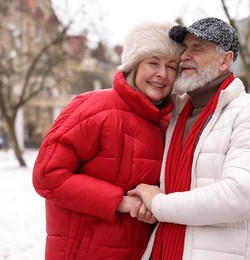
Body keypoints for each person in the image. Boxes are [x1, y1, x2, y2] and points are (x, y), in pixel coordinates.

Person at [128, 17, 250, 260]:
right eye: (185, 48)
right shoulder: (177, 114)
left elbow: (238, 197)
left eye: (197, 49)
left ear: (226, 60)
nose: (184, 57)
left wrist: (158, 204)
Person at [32, 21, 183, 260]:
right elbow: (47, 175)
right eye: (153, 62)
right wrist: (119, 201)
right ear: (133, 65)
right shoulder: (95, 108)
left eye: (171, 66)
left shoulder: (169, 124)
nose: (162, 74)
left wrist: (151, 205)